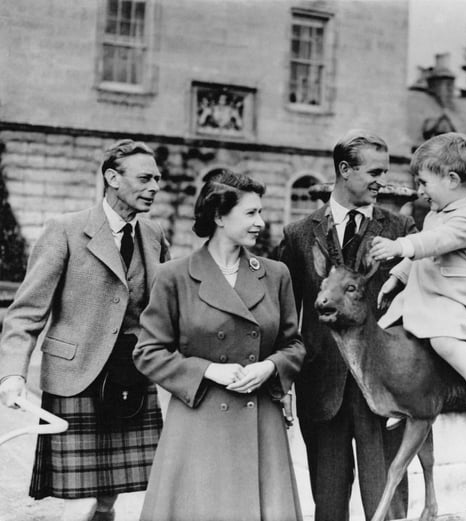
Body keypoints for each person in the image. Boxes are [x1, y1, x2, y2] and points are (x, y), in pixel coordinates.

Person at [0, 139, 169, 521]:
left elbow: (165, 310)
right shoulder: (64, 230)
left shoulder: (154, 235)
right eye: (144, 178)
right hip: (76, 378)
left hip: (131, 378)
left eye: (157, 178)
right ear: (112, 178)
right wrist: (12, 373)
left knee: (110, 497)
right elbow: (25, 312)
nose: (154, 187)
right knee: (81, 501)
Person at [133, 170, 305, 521]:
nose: (261, 222)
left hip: (260, 422)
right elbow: (147, 352)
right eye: (251, 213)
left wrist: (269, 367)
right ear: (219, 216)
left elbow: (294, 345)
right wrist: (210, 370)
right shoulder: (174, 276)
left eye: (261, 212)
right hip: (199, 420)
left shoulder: (275, 274)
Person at [278, 129, 415, 521]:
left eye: (384, 172)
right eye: (373, 172)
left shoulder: (401, 233)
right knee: (328, 504)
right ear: (344, 170)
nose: (381, 181)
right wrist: (284, 380)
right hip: (320, 387)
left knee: (388, 504)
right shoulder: (299, 235)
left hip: (386, 390)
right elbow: (286, 312)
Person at [373, 132, 466, 431]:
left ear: (452, 180)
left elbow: (434, 242)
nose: (419, 191)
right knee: (384, 333)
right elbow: (424, 253)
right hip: (425, 293)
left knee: (443, 341)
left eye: (424, 183)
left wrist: (400, 246)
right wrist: (398, 276)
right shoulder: (437, 212)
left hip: (453, 296)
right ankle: (406, 396)